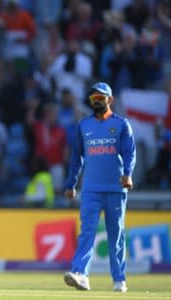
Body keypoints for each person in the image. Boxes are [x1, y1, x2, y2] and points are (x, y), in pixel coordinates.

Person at [63, 82, 136, 293]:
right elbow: (76, 157)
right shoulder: (83, 125)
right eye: (93, 98)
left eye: (100, 98)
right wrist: (71, 184)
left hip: (115, 189)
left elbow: (130, 153)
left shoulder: (121, 124)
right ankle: (80, 274)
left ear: (110, 100)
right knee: (86, 232)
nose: (96, 101)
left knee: (116, 236)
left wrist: (128, 175)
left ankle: (119, 279)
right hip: (91, 189)